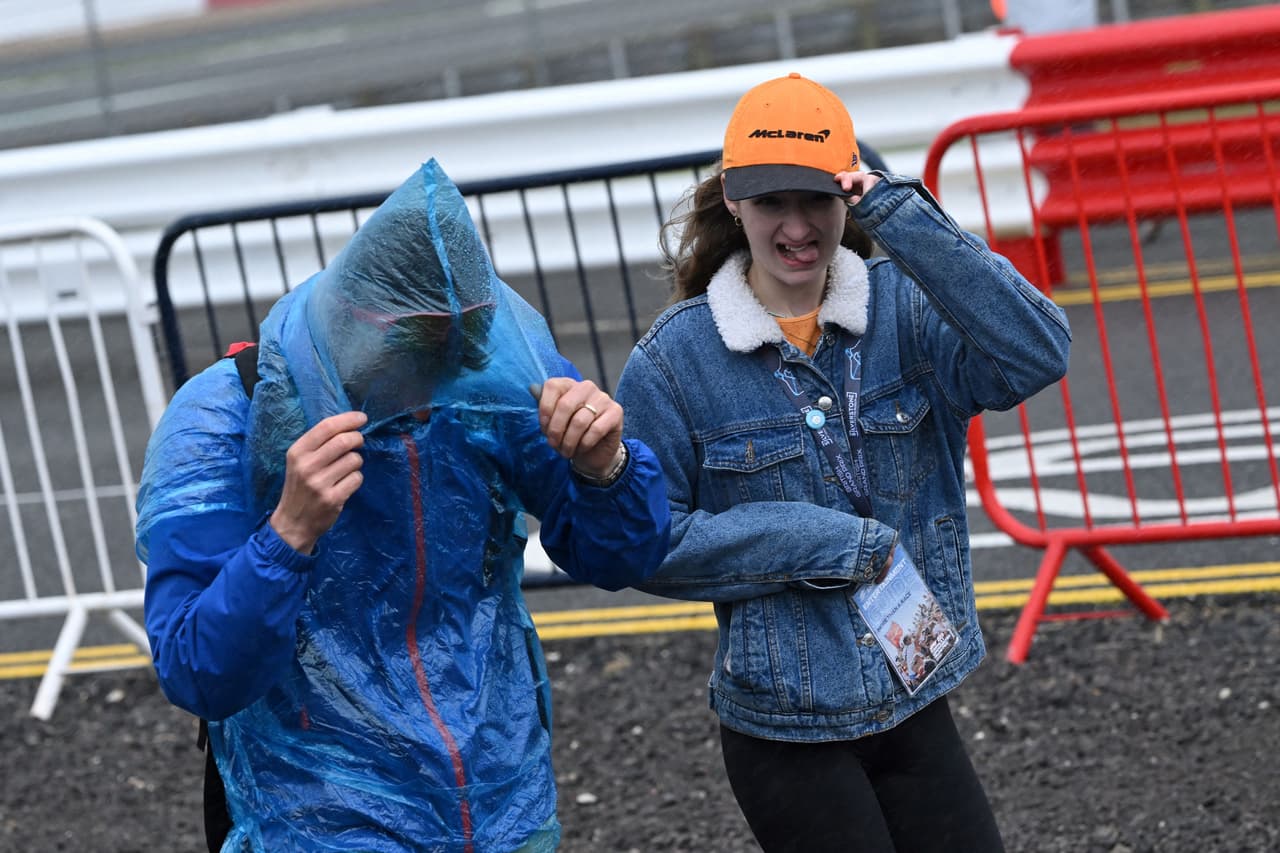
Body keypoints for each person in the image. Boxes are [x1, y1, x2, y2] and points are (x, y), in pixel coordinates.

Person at [136, 159, 671, 852]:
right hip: (324, 818)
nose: (437, 388)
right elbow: (193, 665)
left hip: (502, 804)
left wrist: (609, 469)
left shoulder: (486, 376)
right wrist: (287, 533)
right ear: (358, 321)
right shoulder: (225, 414)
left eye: (463, 350)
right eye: (417, 354)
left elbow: (622, 553)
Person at [615, 73, 1071, 852]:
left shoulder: (906, 307)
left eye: (819, 199)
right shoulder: (674, 361)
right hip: (784, 725)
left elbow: (1037, 351)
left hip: (913, 694)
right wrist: (816, 542)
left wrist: (894, 207)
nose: (798, 227)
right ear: (732, 199)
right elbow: (642, 542)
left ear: (849, 197)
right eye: (770, 202)